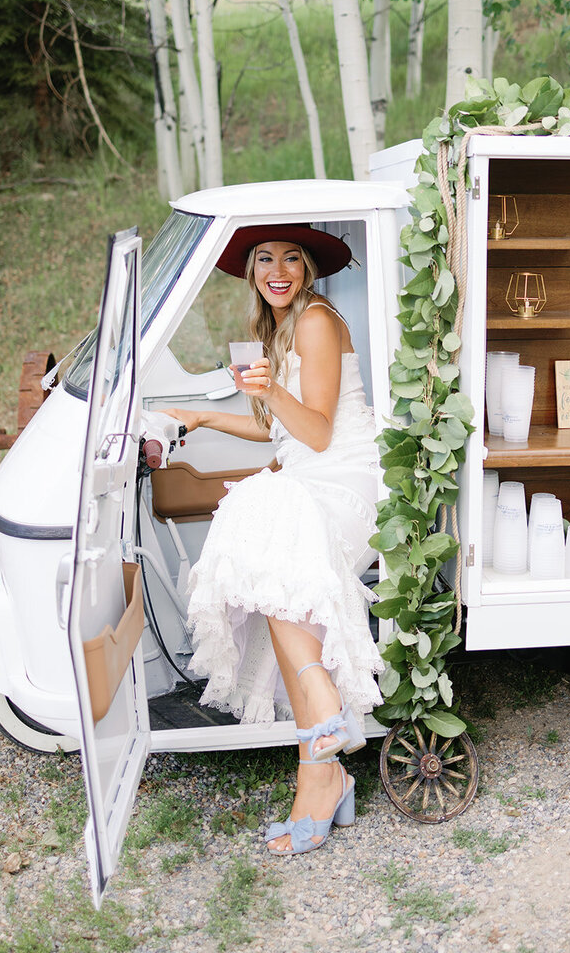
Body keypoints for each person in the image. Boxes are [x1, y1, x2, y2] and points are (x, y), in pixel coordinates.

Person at [166, 223, 383, 855]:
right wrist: (205, 415)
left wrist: (269, 390)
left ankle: (320, 739)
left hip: (343, 478)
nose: (277, 269)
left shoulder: (315, 320)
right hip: (309, 472)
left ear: (309, 269)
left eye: (291, 258)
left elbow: (315, 433)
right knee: (271, 555)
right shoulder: (279, 327)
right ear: (252, 270)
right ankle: (323, 763)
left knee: (265, 522)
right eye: (265, 258)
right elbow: (278, 432)